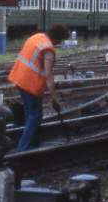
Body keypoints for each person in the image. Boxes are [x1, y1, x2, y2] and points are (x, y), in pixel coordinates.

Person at [8, 23, 71, 152]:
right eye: (61, 40)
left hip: (20, 79)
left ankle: (33, 146)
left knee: (29, 115)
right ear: (57, 38)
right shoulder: (48, 50)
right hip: (31, 84)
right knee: (35, 116)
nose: (59, 43)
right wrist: (54, 99)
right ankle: (22, 149)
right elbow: (48, 76)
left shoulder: (37, 37)